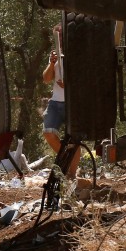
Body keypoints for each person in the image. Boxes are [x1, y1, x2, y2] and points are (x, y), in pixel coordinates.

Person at [42, 24, 80, 177]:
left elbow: (85, 79)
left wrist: (70, 84)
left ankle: (72, 175)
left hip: (73, 103)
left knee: (74, 140)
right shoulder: (55, 56)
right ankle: (66, 159)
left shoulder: (78, 55)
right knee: (48, 133)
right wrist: (51, 63)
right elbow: (46, 78)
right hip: (56, 102)